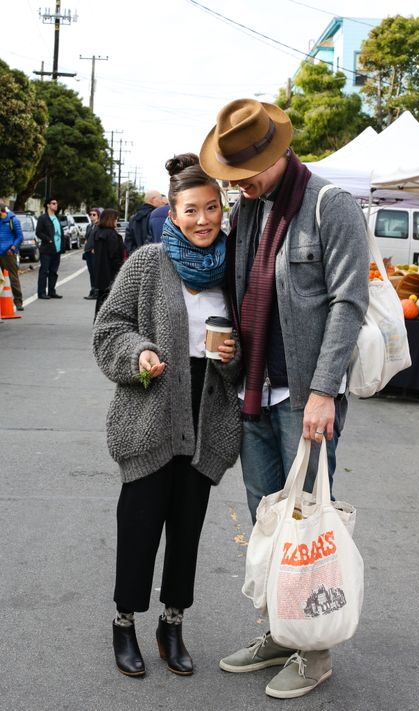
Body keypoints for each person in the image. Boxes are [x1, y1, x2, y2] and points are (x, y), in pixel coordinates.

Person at [199, 98, 369, 699]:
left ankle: (314, 650)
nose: (238, 183)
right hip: (253, 394)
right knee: (268, 522)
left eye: (246, 171)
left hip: (304, 398)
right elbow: (240, 288)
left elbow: (349, 302)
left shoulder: (330, 205)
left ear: (276, 155)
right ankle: (279, 629)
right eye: (232, 173)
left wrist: (323, 390)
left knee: (307, 522)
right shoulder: (250, 211)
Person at [92, 153, 242, 680]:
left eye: (211, 209)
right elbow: (109, 327)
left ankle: (172, 624)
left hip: (205, 416)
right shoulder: (148, 262)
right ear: (173, 214)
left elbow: (248, 343)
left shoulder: (233, 267)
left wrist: (233, 356)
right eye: (191, 210)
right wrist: (138, 354)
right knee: (139, 528)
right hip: (152, 411)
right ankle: (124, 623)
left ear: (222, 211)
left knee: (187, 530)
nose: (203, 220)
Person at [93, 209, 124, 319]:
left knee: (101, 299)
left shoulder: (98, 233)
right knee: (110, 301)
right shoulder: (112, 235)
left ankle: (98, 321)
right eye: (116, 219)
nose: (117, 222)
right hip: (111, 273)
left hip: (101, 272)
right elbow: (115, 256)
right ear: (111, 220)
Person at [36, 197, 64, 299]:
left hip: (57, 250)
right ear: (48, 205)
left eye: (56, 203)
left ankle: (52, 291)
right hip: (47, 249)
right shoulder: (43, 218)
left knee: (54, 271)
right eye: (53, 203)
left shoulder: (57, 218)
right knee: (44, 271)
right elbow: (38, 232)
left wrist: (62, 246)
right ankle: (41, 292)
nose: (55, 205)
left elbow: (60, 233)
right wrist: (48, 239)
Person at [0, 202, 24, 311]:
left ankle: (18, 301)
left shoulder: (12, 220)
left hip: (9, 253)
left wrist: (13, 248)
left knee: (13, 278)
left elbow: (20, 236)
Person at [124, 190, 163, 255]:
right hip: (153, 259)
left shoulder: (133, 218)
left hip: (136, 259)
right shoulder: (156, 217)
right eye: (160, 199)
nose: (162, 201)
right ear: (153, 199)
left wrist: (136, 255)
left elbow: (128, 241)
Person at [82, 207, 102, 299]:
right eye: (90, 214)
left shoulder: (99, 226)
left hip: (95, 252)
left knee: (95, 272)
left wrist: (96, 247)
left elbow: (99, 239)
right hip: (88, 251)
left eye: (94, 214)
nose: (91, 216)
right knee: (91, 272)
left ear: (98, 216)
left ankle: (97, 292)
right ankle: (92, 289)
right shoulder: (89, 226)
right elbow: (87, 237)